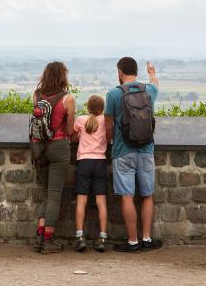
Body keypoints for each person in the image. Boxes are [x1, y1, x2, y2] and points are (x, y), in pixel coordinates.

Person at [104, 57, 162, 252]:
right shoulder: (150, 91)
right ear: (136, 72)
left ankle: (133, 242)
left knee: (127, 196)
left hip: (122, 151)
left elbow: (108, 125)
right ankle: (146, 238)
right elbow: (155, 83)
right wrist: (152, 72)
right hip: (146, 150)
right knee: (147, 195)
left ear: (120, 72)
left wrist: (110, 144)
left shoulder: (113, 94)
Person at [31, 61, 76, 254]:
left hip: (38, 147)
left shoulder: (37, 95)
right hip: (58, 147)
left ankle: (40, 237)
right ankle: (48, 240)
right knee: (55, 194)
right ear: (62, 76)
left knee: (47, 192)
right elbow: (70, 129)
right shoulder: (68, 99)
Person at [70, 95, 108, 252]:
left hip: (84, 162)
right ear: (102, 109)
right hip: (100, 162)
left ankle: (80, 237)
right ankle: (103, 237)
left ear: (87, 107)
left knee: (81, 201)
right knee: (101, 202)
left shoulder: (80, 120)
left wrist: (79, 136)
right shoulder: (105, 120)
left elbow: (72, 138)